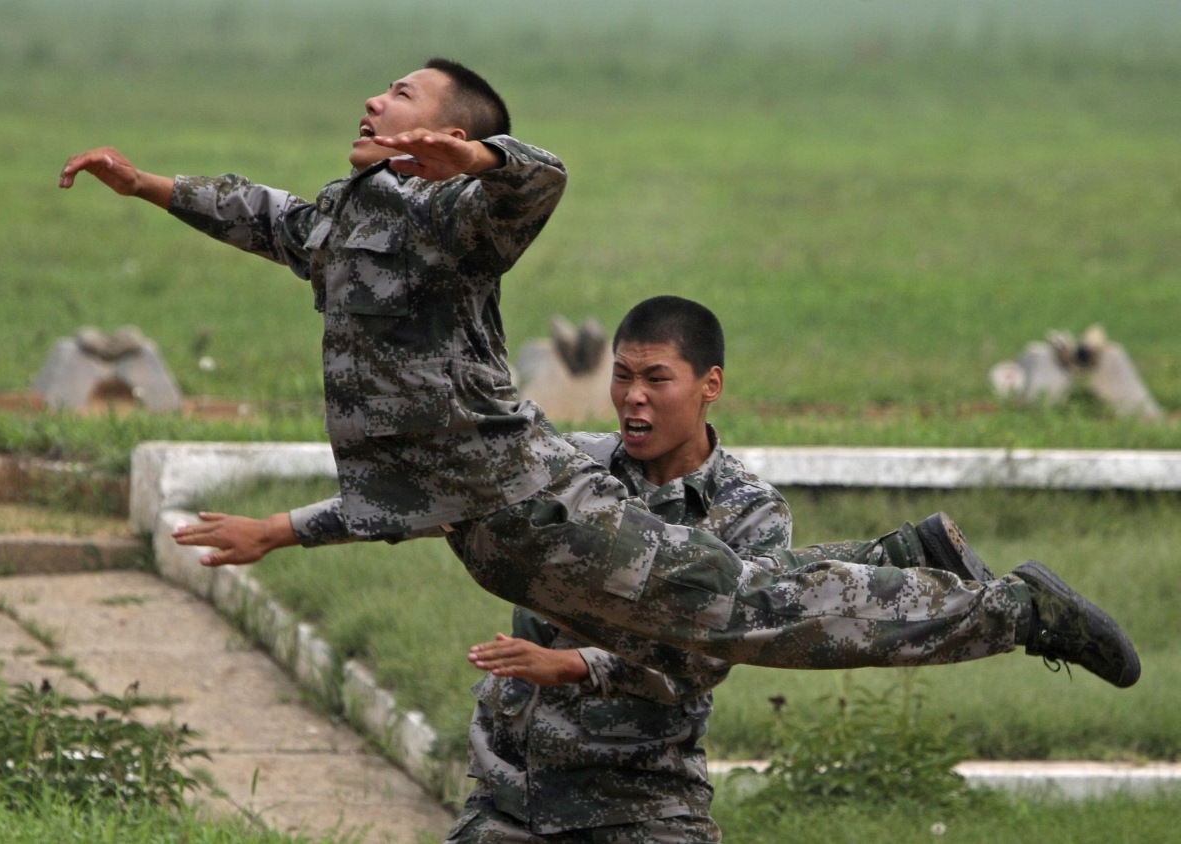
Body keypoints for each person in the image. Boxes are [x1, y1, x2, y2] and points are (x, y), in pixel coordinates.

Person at [59, 58, 1140, 690]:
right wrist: (143, 184)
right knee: (729, 604)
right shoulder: (338, 221)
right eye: (379, 90)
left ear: (441, 131)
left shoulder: (454, 225)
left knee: (749, 617)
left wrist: (480, 163)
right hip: (497, 535)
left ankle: (1015, 611)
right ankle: (903, 557)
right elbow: (252, 210)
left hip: (539, 508)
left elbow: (543, 179)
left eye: (401, 93)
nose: (374, 102)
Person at [450, 295, 991, 843]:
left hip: (642, 797)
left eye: (656, 379)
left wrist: (574, 665)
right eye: (622, 376)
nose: (633, 397)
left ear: (710, 385)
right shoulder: (572, 466)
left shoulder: (750, 510)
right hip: (514, 793)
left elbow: (709, 653)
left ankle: (915, 564)